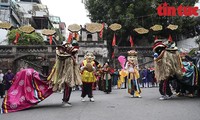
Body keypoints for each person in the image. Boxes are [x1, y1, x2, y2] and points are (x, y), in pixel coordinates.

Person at [47, 40, 82, 106]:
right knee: (67, 87)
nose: (75, 52)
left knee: (69, 88)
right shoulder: (65, 57)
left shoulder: (71, 57)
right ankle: (65, 101)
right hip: (65, 75)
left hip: (70, 75)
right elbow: (64, 66)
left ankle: (66, 100)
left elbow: (75, 64)